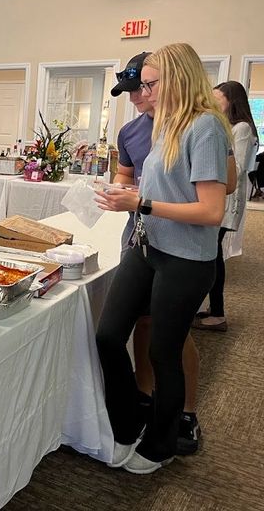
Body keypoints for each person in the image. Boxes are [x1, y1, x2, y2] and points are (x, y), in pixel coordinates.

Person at [95, 43, 232, 474]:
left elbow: (211, 210)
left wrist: (141, 203)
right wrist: (131, 199)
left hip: (186, 258)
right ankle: (128, 421)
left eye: (151, 84)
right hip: (147, 247)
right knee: (108, 335)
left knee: (162, 351)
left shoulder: (204, 127)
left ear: (177, 79)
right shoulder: (161, 126)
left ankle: (162, 441)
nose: (144, 93)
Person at [194, 81, 259, 331]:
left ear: (231, 101)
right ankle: (214, 308)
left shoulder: (240, 128)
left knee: (213, 257)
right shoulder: (223, 126)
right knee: (213, 255)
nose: (213, 103)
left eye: (217, 98)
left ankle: (218, 313)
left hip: (225, 199)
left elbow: (239, 167)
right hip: (218, 195)